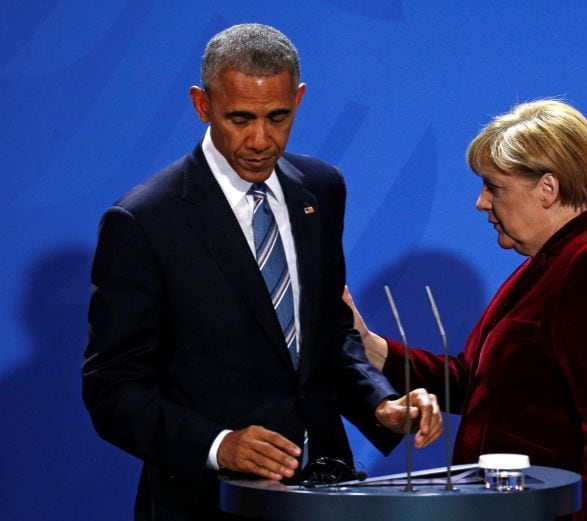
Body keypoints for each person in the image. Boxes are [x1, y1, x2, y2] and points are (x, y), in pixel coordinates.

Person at [82, 23, 441, 521]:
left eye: (278, 117)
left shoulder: (321, 188)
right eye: (239, 118)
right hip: (208, 502)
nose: (260, 139)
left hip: (325, 493)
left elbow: (327, 334)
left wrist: (379, 402)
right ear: (201, 105)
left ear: (298, 98)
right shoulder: (145, 221)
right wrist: (220, 444)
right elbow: (112, 389)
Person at [344, 99, 587, 520]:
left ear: (547, 188)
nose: (480, 202)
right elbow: (474, 382)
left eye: (494, 187)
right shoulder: (546, 265)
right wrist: (371, 346)